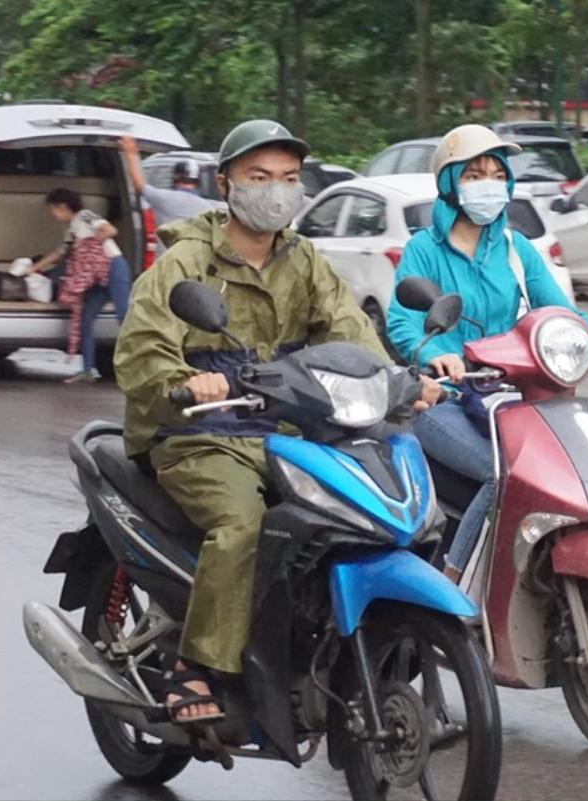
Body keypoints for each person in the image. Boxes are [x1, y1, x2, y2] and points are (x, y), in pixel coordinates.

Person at [113, 119, 444, 724]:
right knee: (242, 524)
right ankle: (198, 666)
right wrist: (184, 382)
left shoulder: (305, 260)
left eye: (289, 179)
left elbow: (349, 330)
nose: (276, 191)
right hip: (200, 432)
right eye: (259, 177)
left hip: (285, 430)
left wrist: (397, 381)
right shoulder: (186, 261)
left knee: (358, 508)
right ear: (226, 184)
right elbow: (143, 347)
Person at [387, 124, 588, 583]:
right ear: (449, 183)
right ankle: (452, 581)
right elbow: (403, 320)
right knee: (502, 472)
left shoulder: (515, 249)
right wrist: (434, 356)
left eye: (496, 174)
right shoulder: (423, 250)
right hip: (445, 395)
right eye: (473, 175)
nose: (488, 184)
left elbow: (560, 315)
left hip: (512, 396)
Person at [29, 188, 132, 383]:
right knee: (84, 318)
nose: (52, 214)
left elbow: (110, 230)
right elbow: (60, 252)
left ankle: (138, 367)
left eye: (53, 209)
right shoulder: (71, 229)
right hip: (95, 276)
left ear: (63, 206)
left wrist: (88, 246)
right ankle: (87, 369)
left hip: (113, 268)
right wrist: (34, 268)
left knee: (124, 317)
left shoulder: (84, 216)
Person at [118, 136, 214, 255]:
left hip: (167, 267)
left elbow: (139, 185)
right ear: (198, 181)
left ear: (175, 177)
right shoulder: (208, 208)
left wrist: (131, 153)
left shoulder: (164, 198)